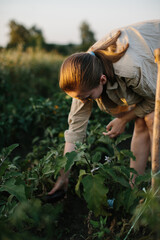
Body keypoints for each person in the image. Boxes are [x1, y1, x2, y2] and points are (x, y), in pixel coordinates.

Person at [49, 20, 160, 195]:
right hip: (144, 64)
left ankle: (156, 190)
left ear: (102, 80)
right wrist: (64, 176)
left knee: (153, 119)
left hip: (153, 52)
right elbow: (75, 129)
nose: (84, 101)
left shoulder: (129, 69)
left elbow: (156, 99)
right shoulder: (83, 73)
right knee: (140, 121)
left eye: (86, 97)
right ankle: (134, 191)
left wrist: (123, 119)